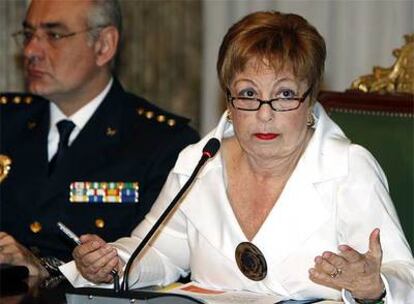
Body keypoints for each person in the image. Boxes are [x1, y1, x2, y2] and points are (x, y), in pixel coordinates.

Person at [63, 11, 414, 303]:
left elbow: (405, 277)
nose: (264, 113)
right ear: (228, 101)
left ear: (310, 99)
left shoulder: (348, 168)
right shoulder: (199, 163)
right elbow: (156, 251)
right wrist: (112, 263)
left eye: (284, 94)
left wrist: (374, 287)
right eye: (248, 93)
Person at [0, 0, 199, 279]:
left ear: (104, 45)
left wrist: (43, 266)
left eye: (54, 35)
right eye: (29, 35)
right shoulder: (6, 123)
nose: (31, 50)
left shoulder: (161, 143)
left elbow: (161, 264)